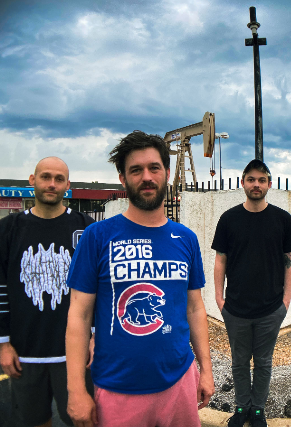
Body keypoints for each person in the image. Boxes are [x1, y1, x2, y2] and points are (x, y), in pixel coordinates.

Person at [65, 130, 214, 427]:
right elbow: (78, 316)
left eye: (154, 168)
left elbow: (195, 308)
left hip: (180, 381)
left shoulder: (186, 238)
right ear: (123, 178)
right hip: (118, 389)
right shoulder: (97, 236)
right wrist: (76, 390)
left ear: (167, 173)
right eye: (136, 170)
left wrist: (206, 370)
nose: (146, 177)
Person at [0, 157, 95, 427]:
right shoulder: (8, 229)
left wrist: (95, 336)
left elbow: (99, 289)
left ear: (68, 185)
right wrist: (3, 345)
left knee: (84, 420)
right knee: (34, 421)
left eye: (59, 179)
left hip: (76, 352)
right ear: (32, 180)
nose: (52, 184)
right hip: (25, 351)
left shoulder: (85, 227)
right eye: (45, 177)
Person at [212, 159, 291, 427]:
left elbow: (290, 261)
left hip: (270, 309)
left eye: (262, 180)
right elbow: (220, 260)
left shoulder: (282, 219)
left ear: (269, 184)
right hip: (235, 309)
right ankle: (242, 407)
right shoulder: (228, 219)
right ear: (243, 183)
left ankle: (258, 410)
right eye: (251, 179)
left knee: (263, 362)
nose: (256, 184)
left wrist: (285, 302)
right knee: (239, 362)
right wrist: (219, 299)